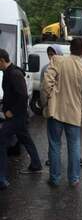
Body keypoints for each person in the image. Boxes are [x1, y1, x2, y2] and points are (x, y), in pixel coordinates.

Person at [41, 37, 82, 188]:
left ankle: (55, 179)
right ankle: (74, 179)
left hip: (55, 111)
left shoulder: (57, 60)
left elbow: (46, 83)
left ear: (70, 48)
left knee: (54, 145)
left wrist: (46, 102)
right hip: (74, 113)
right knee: (74, 146)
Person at [0, 49, 43, 190]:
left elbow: (23, 96)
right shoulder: (11, 73)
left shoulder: (14, 74)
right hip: (18, 117)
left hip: (15, 117)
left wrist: (11, 111)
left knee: (1, 143)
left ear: (1, 60)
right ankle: (36, 164)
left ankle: (2, 179)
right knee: (25, 139)